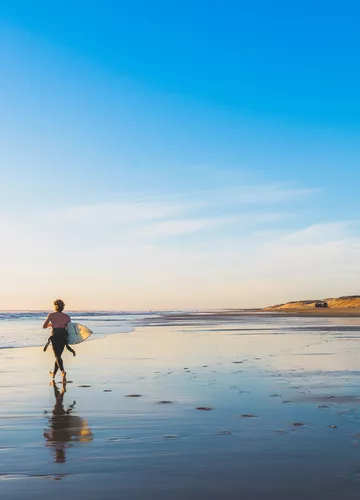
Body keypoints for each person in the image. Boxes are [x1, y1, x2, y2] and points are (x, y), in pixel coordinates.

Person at [43, 299, 75, 380]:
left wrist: (50, 325)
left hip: (55, 335)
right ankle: (53, 374)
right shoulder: (67, 317)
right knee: (58, 356)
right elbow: (69, 329)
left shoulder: (51, 315)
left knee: (57, 356)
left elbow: (44, 326)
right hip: (63, 335)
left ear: (55, 307)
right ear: (63, 307)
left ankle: (63, 371)